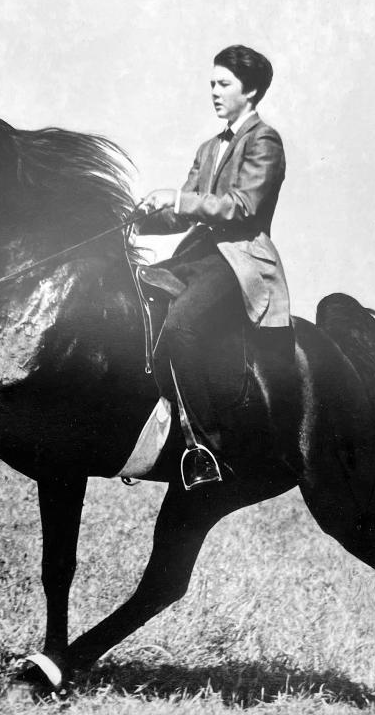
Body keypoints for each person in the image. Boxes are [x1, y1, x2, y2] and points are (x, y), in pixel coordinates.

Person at [136, 44, 291, 488]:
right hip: (195, 258)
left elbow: (242, 207)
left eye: (223, 84)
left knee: (182, 328)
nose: (215, 92)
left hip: (238, 262)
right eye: (212, 84)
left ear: (253, 90)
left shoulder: (265, 140)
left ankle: (206, 450)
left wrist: (180, 198)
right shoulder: (208, 148)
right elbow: (180, 214)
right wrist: (135, 222)